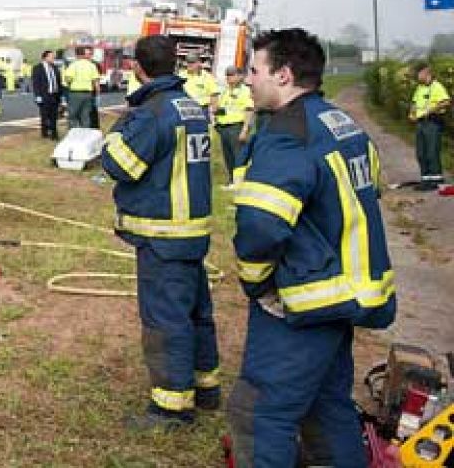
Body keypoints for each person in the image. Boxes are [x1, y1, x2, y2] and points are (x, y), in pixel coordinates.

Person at [228, 28, 395, 468]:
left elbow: (260, 226)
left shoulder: (285, 136)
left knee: (261, 414)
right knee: (327, 406)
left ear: (283, 75)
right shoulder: (342, 124)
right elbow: (369, 194)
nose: (246, 80)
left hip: (301, 302)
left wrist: (257, 283)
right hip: (345, 296)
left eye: (254, 70)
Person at [98, 34, 219, 428]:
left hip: (163, 234)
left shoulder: (153, 113)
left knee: (166, 320)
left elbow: (121, 165)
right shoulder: (191, 106)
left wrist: (117, 130)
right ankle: (206, 387)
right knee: (197, 312)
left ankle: (171, 407)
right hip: (191, 231)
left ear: (138, 67)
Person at [409, 63, 450, 190]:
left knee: (432, 152)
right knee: (421, 153)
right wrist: (412, 113)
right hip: (420, 123)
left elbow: (446, 102)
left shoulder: (437, 87)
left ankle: (436, 180)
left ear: (426, 72)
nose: (416, 76)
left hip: (432, 122)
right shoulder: (419, 88)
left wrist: (431, 110)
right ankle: (425, 179)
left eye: (418, 73)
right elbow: (414, 102)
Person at [213, 66, 255, 188]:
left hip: (236, 126)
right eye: (227, 75)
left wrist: (245, 129)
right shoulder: (225, 91)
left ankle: (239, 182)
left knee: (238, 155)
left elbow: (249, 110)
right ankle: (231, 180)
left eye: (232, 75)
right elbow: (222, 109)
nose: (229, 78)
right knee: (227, 156)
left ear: (240, 76)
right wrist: (215, 114)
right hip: (223, 126)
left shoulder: (245, 91)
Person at [63, 47, 101, 129]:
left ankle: (74, 134)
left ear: (76, 55)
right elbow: (96, 82)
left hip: (75, 93)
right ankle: (85, 136)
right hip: (88, 94)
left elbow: (68, 79)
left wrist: (70, 84)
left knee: (73, 116)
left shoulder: (73, 65)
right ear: (84, 54)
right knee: (85, 116)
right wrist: (97, 95)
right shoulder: (92, 65)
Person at [31, 50, 63, 140]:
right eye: (51, 56)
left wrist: (61, 95)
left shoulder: (55, 67)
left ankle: (54, 134)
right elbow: (36, 83)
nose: (53, 58)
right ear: (45, 57)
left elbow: (58, 81)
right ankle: (45, 133)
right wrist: (38, 96)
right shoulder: (38, 68)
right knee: (45, 116)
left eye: (54, 56)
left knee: (54, 115)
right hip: (44, 95)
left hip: (55, 95)